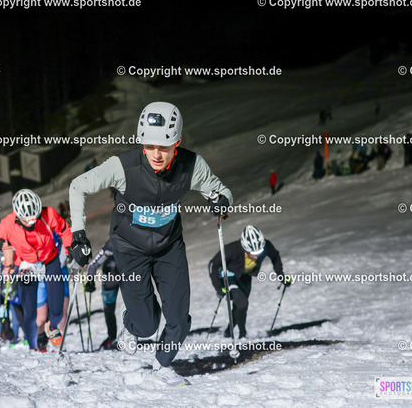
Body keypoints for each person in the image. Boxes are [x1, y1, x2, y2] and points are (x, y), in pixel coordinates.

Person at [68, 101, 233, 386]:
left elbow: (220, 191)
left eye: (164, 147)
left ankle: (162, 365)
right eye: (149, 146)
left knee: (179, 319)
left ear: (177, 143)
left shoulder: (192, 166)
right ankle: (130, 321)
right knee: (146, 325)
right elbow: (78, 186)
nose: (156, 154)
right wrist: (78, 234)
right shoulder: (123, 167)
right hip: (130, 249)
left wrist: (222, 201)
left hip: (169, 247)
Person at [0, 189, 73, 351]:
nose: (31, 222)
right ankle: (34, 344)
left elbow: (64, 230)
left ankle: (52, 327)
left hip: (49, 261)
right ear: (17, 215)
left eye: (34, 218)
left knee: (58, 311)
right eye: (26, 219)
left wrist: (70, 248)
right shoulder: (7, 224)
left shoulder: (49, 214)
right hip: (26, 266)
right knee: (30, 313)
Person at [208, 225, 289, 339]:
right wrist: (218, 288)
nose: (256, 257)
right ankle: (242, 334)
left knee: (239, 307)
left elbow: (275, 256)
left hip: (245, 277)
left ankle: (228, 331)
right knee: (242, 303)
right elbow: (213, 265)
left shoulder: (266, 245)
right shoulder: (232, 249)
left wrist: (281, 276)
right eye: (252, 253)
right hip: (230, 277)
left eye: (258, 253)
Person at [85, 239, 121, 350]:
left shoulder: (136, 239)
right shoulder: (111, 244)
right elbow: (93, 265)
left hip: (130, 276)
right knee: (109, 309)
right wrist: (90, 280)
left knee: (133, 307)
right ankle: (112, 337)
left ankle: (131, 335)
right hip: (111, 275)